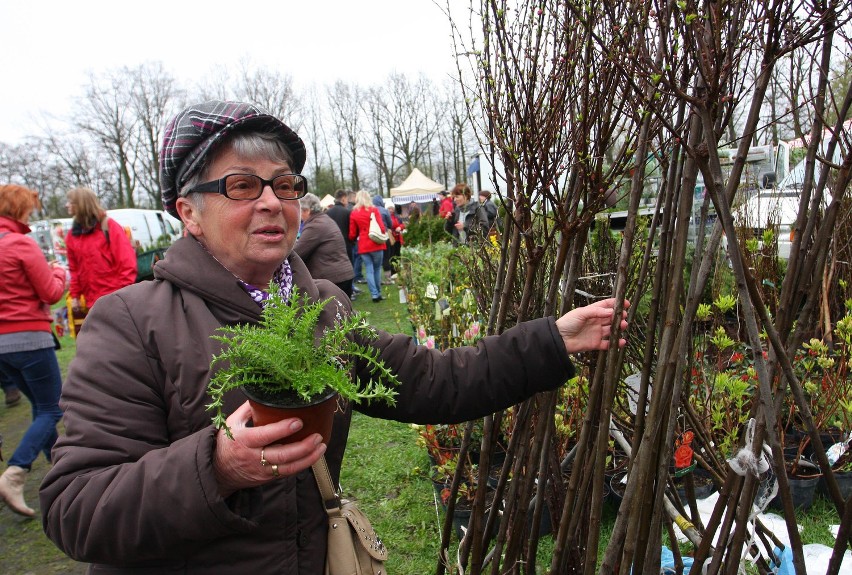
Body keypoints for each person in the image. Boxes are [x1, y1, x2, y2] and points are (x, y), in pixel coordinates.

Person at [40, 100, 629, 574]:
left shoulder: (320, 306)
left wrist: (551, 341)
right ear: (189, 214)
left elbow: (430, 380)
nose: (273, 201)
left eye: (285, 184)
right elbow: (76, 508)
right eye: (242, 186)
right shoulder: (133, 322)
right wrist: (216, 467)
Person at [0, 184, 67, 517]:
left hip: (2, 348)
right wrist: (59, 271)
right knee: (53, 408)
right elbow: (52, 292)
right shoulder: (20, 245)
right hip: (28, 338)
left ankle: (58, 465)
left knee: (39, 407)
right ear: (19, 209)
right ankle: (16, 472)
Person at [64, 187, 138, 315]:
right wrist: (75, 295)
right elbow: (74, 269)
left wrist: (123, 295)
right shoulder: (72, 235)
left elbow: (127, 263)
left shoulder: (108, 226)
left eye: (70, 201)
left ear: (81, 204)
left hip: (115, 300)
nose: (67, 205)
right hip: (91, 303)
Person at [295, 192, 355, 299]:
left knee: (333, 313)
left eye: (300, 211)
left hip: (333, 278)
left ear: (307, 210)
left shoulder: (315, 226)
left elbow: (297, 252)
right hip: (342, 274)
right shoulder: (324, 219)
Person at [349, 190, 388, 302]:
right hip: (376, 242)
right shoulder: (373, 209)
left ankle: (374, 295)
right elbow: (381, 227)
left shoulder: (354, 212)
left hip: (363, 244)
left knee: (369, 270)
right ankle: (378, 293)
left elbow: (352, 233)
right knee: (377, 269)